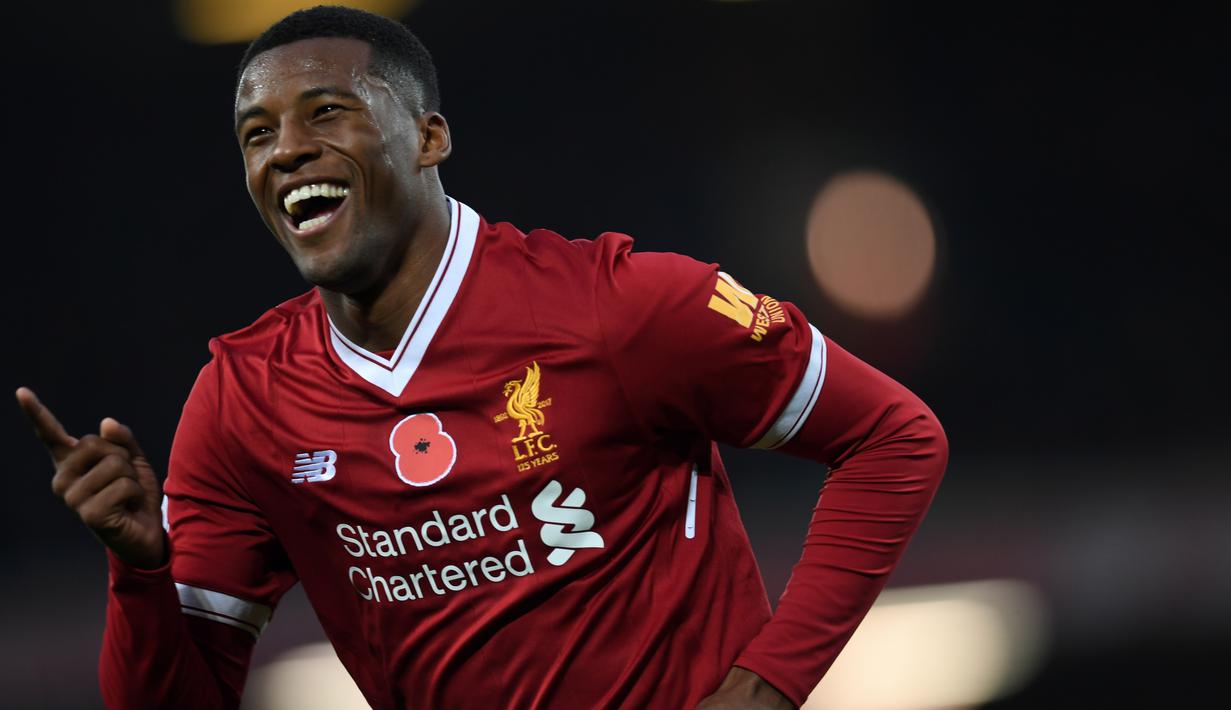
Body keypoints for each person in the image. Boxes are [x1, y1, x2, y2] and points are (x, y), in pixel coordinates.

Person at [16, 6, 947, 709]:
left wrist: (767, 686)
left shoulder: (617, 306)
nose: (287, 152)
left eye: (326, 113)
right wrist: (139, 573)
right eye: (257, 135)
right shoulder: (242, 402)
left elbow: (894, 438)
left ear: (428, 137)